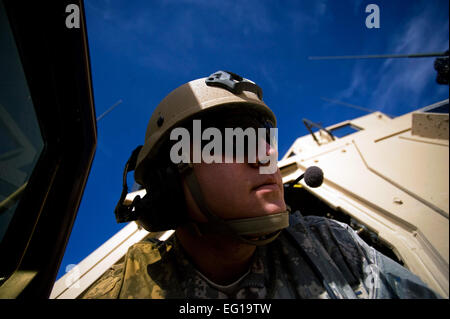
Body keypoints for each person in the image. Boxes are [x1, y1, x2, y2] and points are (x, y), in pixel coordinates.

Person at [82, 71, 441, 299]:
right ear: (170, 183)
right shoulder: (124, 289)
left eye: (263, 140)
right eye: (230, 142)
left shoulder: (332, 247)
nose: (265, 155)